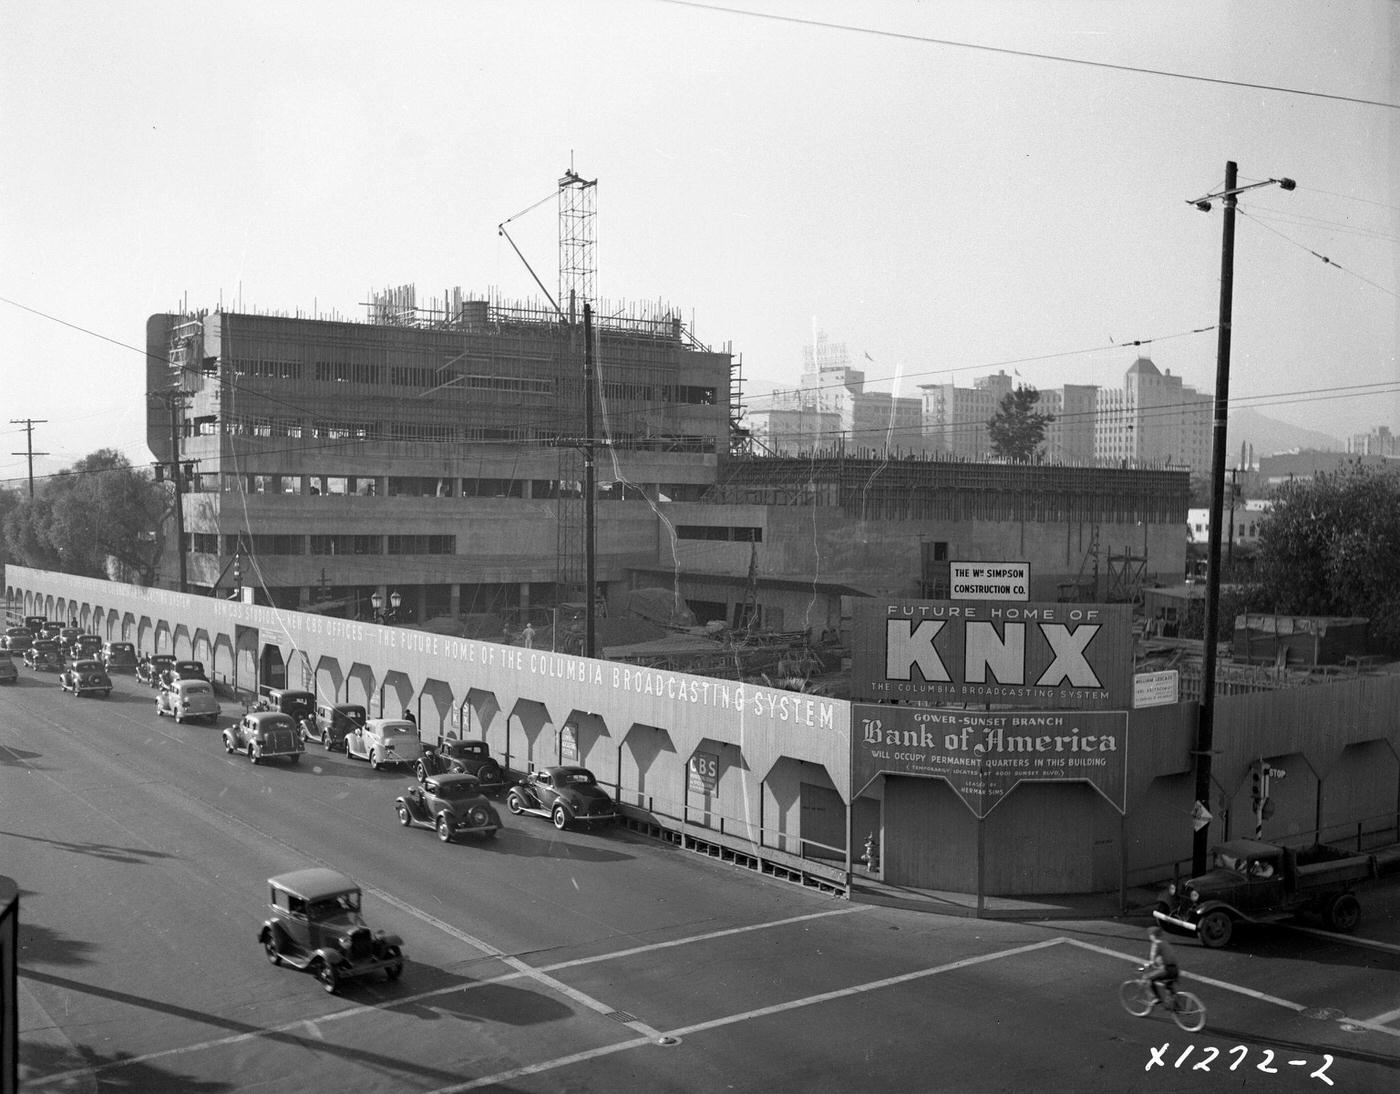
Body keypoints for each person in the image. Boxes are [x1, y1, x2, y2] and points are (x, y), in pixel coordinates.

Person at [1146, 927, 1181, 1008]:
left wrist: (1149, 964)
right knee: (1168, 986)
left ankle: (1157, 998)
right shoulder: (1165, 943)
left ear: (1153, 935)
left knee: (1148, 978)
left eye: (1150, 935)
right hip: (1175, 969)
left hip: (1166, 970)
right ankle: (1176, 1006)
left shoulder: (1156, 944)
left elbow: (1153, 960)